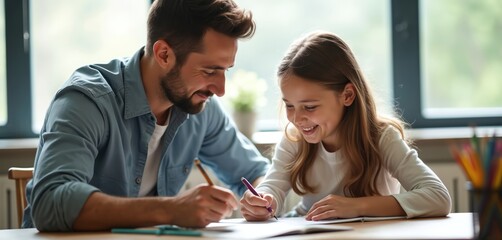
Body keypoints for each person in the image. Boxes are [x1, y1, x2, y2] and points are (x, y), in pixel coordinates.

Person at [23, 0, 270, 232]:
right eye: (209, 71)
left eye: (225, 70)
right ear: (163, 54)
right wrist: (172, 210)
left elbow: (255, 172)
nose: (221, 89)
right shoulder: (87, 101)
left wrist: (264, 196)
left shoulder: (200, 108)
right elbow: (50, 202)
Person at [240, 31, 451, 221]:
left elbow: (438, 196)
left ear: (347, 95)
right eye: (289, 105)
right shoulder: (294, 139)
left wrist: (356, 207)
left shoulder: (381, 138)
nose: (297, 118)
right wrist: (262, 200)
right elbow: (273, 186)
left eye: (310, 107)